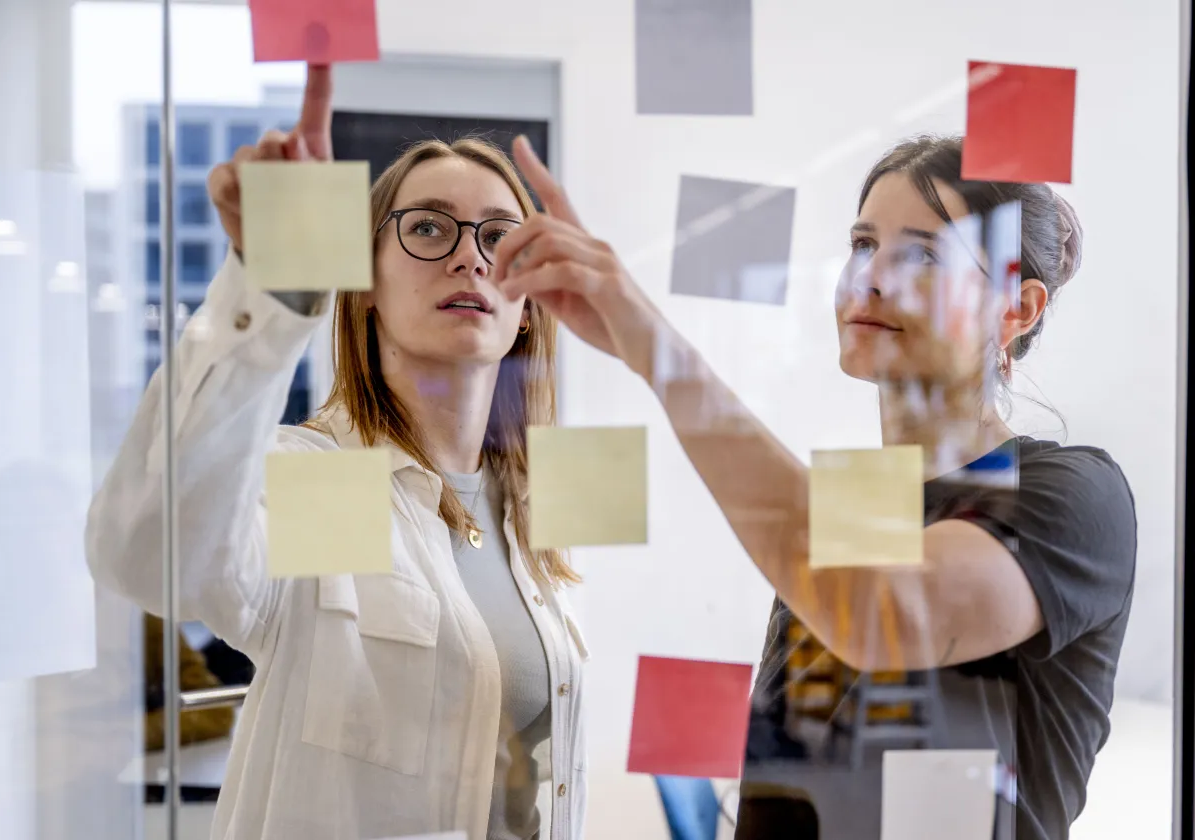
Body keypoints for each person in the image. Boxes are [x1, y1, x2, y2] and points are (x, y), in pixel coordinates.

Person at [494, 133, 1137, 839]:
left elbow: (877, 610)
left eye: (923, 253)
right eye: (864, 244)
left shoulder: (1078, 496)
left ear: (1018, 309)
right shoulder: (856, 505)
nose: (872, 277)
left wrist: (654, 348)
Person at [86, 65, 589, 840]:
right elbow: (147, 550)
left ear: (525, 308)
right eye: (428, 227)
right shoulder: (336, 484)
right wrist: (274, 282)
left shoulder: (531, 507)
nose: (471, 257)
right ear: (363, 285)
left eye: (499, 235)